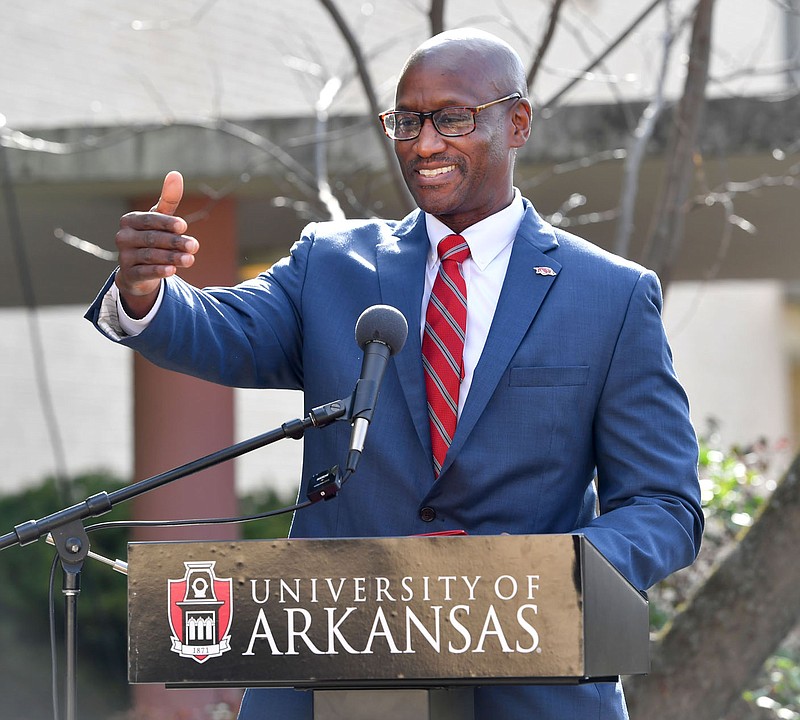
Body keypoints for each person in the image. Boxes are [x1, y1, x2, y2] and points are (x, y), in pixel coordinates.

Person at [87, 28, 703, 720]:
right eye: (407, 120)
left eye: (453, 118)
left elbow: (664, 504)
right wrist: (145, 292)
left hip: (535, 681)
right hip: (331, 669)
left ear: (518, 122)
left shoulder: (610, 296)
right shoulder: (331, 263)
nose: (425, 143)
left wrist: (548, 573)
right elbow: (223, 330)